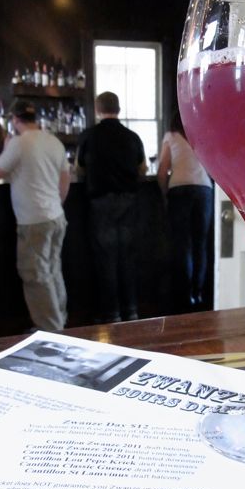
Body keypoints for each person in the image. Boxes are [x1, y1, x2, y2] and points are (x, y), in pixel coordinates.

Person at [0, 99, 70, 332]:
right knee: (52, 270)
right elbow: (65, 179)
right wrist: (56, 203)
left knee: (35, 274)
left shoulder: (18, 143)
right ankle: (60, 319)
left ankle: (51, 330)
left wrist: (6, 146)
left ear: (15, 120)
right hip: (56, 215)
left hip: (33, 219)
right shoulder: (54, 141)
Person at [77, 91, 147, 323]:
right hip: (128, 201)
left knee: (106, 258)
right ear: (118, 109)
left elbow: (79, 169)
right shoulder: (132, 137)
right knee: (128, 256)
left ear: (98, 110)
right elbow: (142, 169)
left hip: (101, 202)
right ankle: (132, 310)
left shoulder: (88, 136)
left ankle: (112, 313)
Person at [157, 110, 213, 313]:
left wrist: (165, 194)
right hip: (204, 190)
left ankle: (183, 297)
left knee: (183, 245)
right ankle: (198, 294)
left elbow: (162, 171)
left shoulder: (171, 136)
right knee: (200, 244)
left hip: (179, 189)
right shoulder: (202, 134)